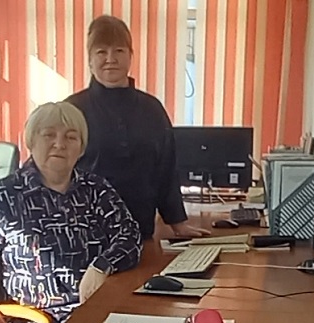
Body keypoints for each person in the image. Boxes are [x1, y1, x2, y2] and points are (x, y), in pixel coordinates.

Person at [0, 101, 142, 323]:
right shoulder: (1, 198)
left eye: (71, 137)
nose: (59, 144)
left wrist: (102, 265)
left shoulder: (96, 190)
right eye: (49, 135)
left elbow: (130, 236)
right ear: (31, 142)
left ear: (81, 148)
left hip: (98, 313)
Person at [66, 14, 210, 241]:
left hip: (140, 231)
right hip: (83, 233)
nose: (110, 59)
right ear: (90, 60)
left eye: (119, 51)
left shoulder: (152, 109)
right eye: (101, 52)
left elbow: (166, 170)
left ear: (130, 56)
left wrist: (178, 223)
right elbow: (53, 171)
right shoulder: (71, 110)